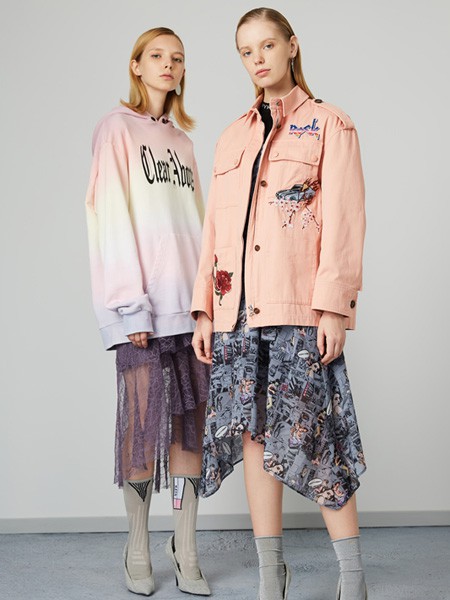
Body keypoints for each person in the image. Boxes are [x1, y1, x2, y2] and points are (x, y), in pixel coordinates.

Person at [191, 7, 367, 600]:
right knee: (254, 438)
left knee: (318, 437)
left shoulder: (329, 124)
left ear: (292, 46)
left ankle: (353, 578)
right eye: (246, 51)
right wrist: (203, 310)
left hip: (298, 307)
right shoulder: (231, 137)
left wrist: (334, 308)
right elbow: (215, 233)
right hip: (236, 312)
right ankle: (272, 576)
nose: (257, 59)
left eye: (267, 45)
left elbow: (344, 223)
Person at [85, 27, 210, 597]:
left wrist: (209, 302)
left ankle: (185, 546)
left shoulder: (183, 143)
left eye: (177, 58)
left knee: (189, 431)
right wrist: (130, 306)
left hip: (190, 309)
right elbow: (110, 217)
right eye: (156, 56)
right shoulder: (116, 129)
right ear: (136, 65)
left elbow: (199, 228)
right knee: (140, 429)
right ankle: (138, 544)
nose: (168, 65)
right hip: (142, 311)